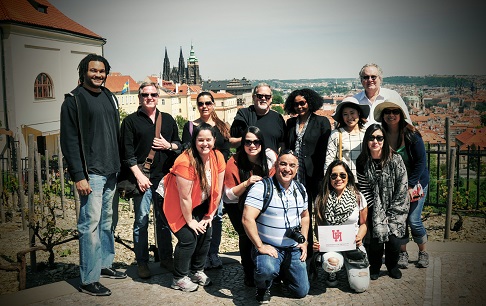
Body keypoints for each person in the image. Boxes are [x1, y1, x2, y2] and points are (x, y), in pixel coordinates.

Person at [60, 54, 126, 296]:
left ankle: (105, 264)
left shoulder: (109, 96)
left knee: (108, 223)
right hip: (92, 174)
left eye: (102, 71)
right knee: (90, 225)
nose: (98, 75)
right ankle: (89, 279)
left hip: (111, 170)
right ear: (83, 72)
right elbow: (68, 141)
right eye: (93, 71)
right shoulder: (74, 101)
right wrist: (79, 175)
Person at [119, 82, 181, 279]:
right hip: (142, 179)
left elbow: (180, 145)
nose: (150, 97)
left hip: (164, 178)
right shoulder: (130, 122)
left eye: (153, 94)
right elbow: (127, 154)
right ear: (139, 97)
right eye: (145, 94)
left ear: (158, 96)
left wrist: (168, 145)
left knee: (164, 221)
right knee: (141, 221)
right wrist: (139, 176)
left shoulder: (169, 120)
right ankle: (142, 262)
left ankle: (166, 258)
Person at [159, 123, 226, 292]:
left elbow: (217, 190)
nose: (205, 143)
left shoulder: (217, 157)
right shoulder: (185, 161)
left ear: (214, 140)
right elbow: (184, 197)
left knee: (206, 233)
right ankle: (179, 278)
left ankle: (197, 270)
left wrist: (210, 214)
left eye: (208, 140)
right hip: (171, 201)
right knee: (188, 238)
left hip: (198, 201)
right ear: (194, 141)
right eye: (200, 140)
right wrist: (190, 221)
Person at [242, 149, 310, 304]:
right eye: (283, 164)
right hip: (269, 246)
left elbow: (305, 217)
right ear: (275, 165)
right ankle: (263, 286)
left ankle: (280, 274)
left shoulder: (301, 190)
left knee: (301, 291)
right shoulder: (261, 188)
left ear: (297, 169)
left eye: (292, 165)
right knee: (266, 269)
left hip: (292, 248)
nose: (287, 169)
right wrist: (260, 246)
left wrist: (304, 241)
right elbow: (247, 218)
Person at [373, 95, 430, 269]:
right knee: (400, 221)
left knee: (413, 220)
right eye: (387, 112)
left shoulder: (411, 134)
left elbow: (421, 162)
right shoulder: (380, 134)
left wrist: (411, 185)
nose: (391, 115)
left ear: (401, 114)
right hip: (395, 185)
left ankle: (423, 251)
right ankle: (402, 252)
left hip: (416, 183)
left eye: (395, 112)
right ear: (383, 116)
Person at [182, 91, 230, 270]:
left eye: (208, 103)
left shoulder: (221, 126)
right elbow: (187, 151)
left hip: (216, 176)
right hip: (197, 179)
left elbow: (225, 152)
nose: (204, 106)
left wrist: (214, 164)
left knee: (215, 216)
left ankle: (213, 253)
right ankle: (198, 255)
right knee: (198, 215)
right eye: (201, 103)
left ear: (213, 104)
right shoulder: (191, 126)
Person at [223, 126, 276, 287]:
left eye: (256, 142)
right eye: (248, 142)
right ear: (242, 143)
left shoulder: (270, 158)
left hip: (262, 204)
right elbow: (228, 195)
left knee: (264, 234)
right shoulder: (234, 162)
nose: (252, 146)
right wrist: (246, 183)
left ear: (262, 143)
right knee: (246, 236)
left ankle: (268, 268)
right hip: (237, 205)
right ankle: (248, 272)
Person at [356, 124, 409, 280]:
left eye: (379, 138)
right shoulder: (362, 161)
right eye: (371, 138)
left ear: (384, 140)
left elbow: (402, 187)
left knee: (393, 241)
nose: (375, 141)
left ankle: (392, 266)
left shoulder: (396, 160)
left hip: (396, 208)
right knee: (376, 242)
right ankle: (375, 267)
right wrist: (378, 213)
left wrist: (391, 213)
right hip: (374, 208)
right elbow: (365, 190)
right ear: (366, 140)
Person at [283, 88, 331, 256]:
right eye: (296, 104)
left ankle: (326, 253)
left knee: (320, 216)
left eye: (302, 103)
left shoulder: (321, 122)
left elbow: (326, 149)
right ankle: (306, 250)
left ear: (310, 102)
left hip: (316, 175)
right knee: (302, 215)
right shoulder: (290, 123)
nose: (299, 107)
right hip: (296, 178)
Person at [313, 160, 370, 292]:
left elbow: (364, 223)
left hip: (353, 244)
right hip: (332, 245)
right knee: (331, 263)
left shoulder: (358, 197)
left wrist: (360, 236)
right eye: (334, 176)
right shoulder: (321, 198)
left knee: (360, 287)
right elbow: (319, 225)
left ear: (348, 176)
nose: (338, 179)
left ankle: (348, 266)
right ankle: (333, 269)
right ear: (329, 178)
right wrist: (319, 242)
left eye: (342, 175)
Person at [230, 82, 286, 152]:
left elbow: (283, 144)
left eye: (267, 97)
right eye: (260, 96)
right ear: (253, 97)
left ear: (271, 98)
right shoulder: (243, 115)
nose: (263, 99)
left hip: (271, 162)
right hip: (247, 161)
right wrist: (247, 140)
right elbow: (230, 141)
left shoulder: (278, 118)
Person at [324, 96, 370, 179]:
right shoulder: (337, 134)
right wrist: (328, 181)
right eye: (345, 114)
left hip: (365, 180)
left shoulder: (367, 133)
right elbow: (329, 161)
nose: (349, 117)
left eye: (352, 113)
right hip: (345, 180)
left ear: (358, 113)